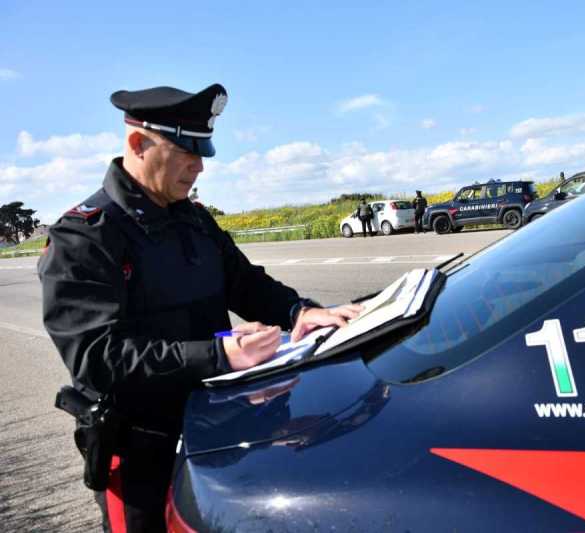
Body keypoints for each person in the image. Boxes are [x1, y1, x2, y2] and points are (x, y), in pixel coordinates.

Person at [37, 83, 362, 532]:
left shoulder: (192, 217)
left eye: (202, 151)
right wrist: (219, 355)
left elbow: (243, 281)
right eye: (186, 152)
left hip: (218, 433)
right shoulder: (84, 237)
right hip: (142, 456)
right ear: (138, 143)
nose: (200, 165)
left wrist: (297, 312)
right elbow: (97, 357)